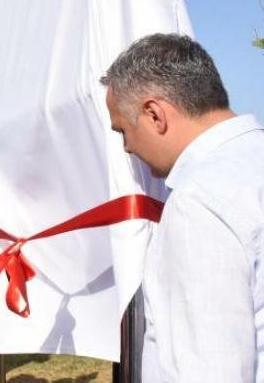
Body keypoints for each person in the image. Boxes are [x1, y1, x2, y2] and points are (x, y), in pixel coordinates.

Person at [102, 33, 264, 382]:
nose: (127, 147)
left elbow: (211, 371)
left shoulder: (199, 202)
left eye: (123, 131)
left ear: (154, 114)